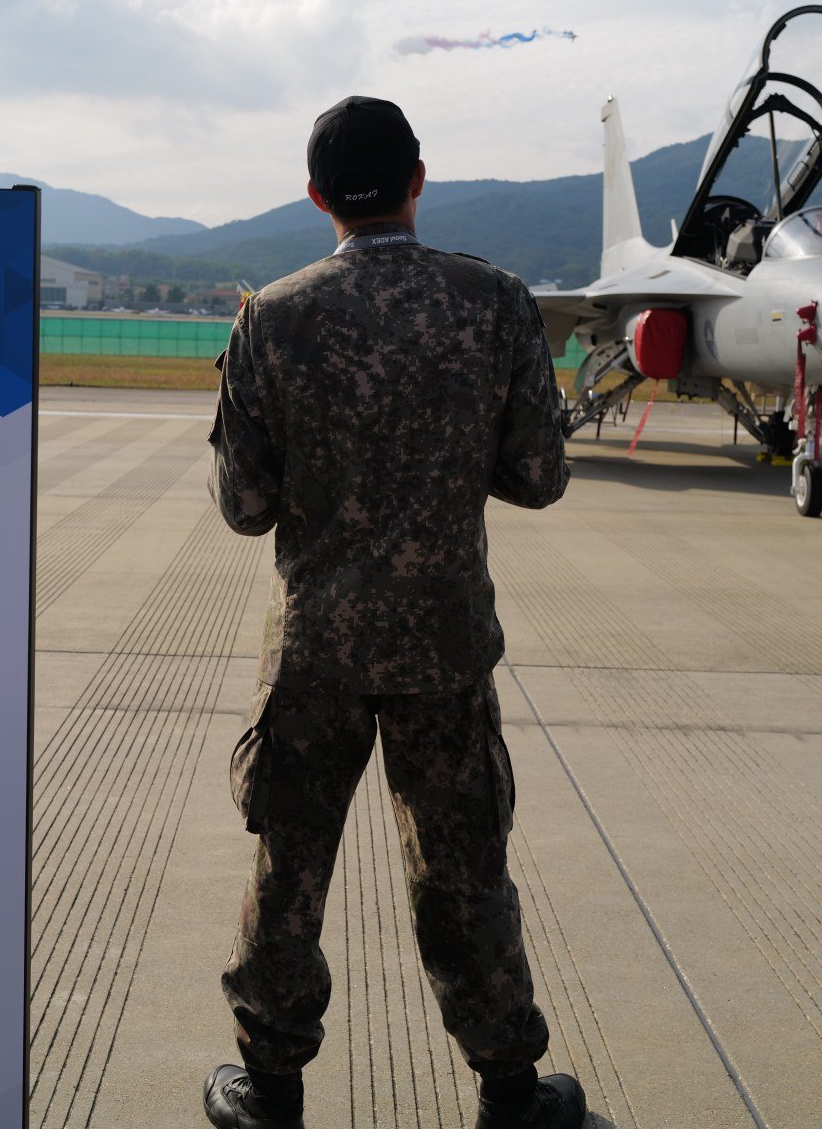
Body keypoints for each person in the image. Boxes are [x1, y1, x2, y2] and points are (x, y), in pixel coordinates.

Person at [204, 96, 584, 1129]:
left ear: (318, 195)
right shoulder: (495, 302)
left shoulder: (271, 316)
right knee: (464, 872)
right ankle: (509, 1087)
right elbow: (540, 475)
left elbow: (242, 507)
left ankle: (269, 1087)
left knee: (290, 871)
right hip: (445, 647)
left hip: (315, 650)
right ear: (419, 179)